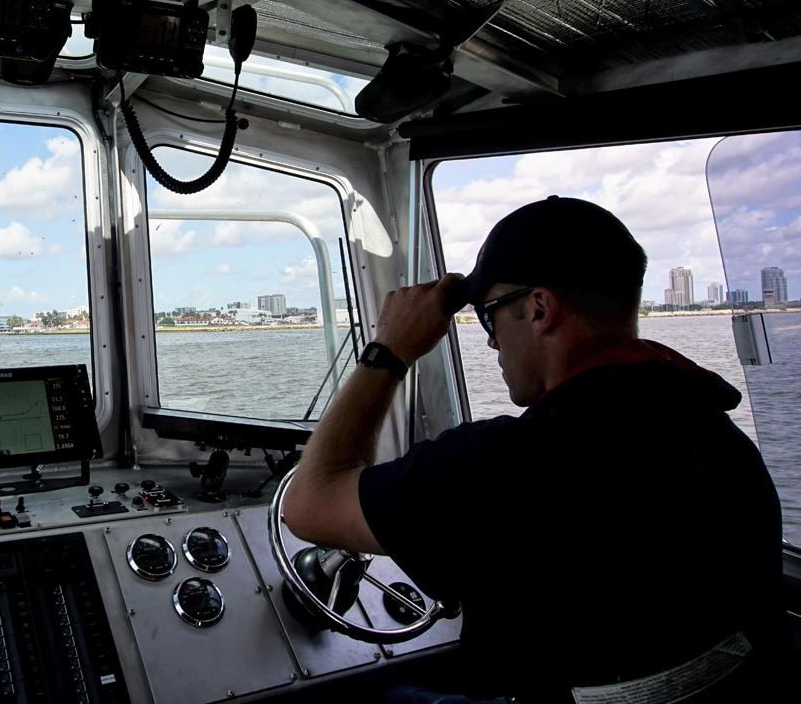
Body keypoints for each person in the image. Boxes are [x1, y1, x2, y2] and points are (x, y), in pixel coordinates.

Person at [284, 196, 783, 704]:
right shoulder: (719, 436)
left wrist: (389, 351)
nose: (491, 343)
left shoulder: (508, 464)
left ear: (539, 309)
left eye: (488, 315)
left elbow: (309, 505)